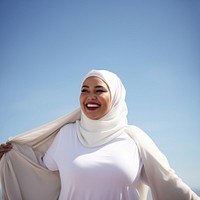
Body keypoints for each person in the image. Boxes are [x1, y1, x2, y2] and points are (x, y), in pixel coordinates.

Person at [0, 69, 199, 200]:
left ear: (115, 98)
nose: (90, 96)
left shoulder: (134, 138)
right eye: (84, 90)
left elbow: (168, 182)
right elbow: (39, 168)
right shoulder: (66, 135)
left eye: (99, 90)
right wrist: (10, 156)